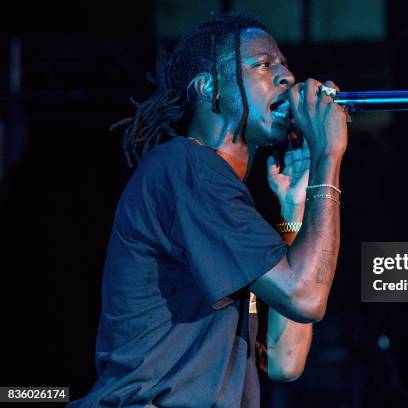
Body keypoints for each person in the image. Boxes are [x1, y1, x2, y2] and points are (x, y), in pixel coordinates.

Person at [67, 13, 347, 407]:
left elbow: (285, 360)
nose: (287, 77)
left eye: (285, 65)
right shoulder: (186, 168)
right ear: (208, 88)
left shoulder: (217, 195)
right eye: (265, 65)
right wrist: (328, 157)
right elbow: (305, 297)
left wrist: (294, 208)